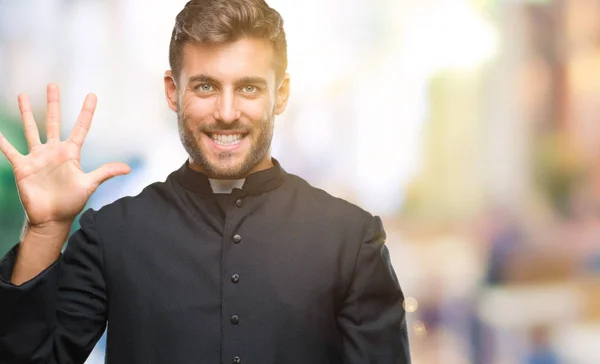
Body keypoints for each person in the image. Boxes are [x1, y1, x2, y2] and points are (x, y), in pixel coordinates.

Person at [0, 0, 411, 363]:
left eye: (248, 87)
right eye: (206, 86)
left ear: (280, 94)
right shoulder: (110, 236)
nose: (227, 111)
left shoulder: (351, 240)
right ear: (172, 92)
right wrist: (47, 228)